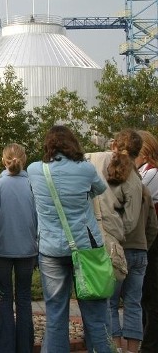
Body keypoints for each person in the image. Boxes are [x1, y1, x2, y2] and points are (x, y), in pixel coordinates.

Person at [27, 125, 112, 352]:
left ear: (48, 145)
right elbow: (99, 189)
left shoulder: (35, 170)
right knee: (95, 315)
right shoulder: (86, 169)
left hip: (51, 249)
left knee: (55, 314)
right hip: (86, 247)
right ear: (73, 143)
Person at [87, 129, 154, 353]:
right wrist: (145, 245)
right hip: (140, 251)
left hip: (117, 249)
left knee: (112, 303)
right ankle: (132, 350)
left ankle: (114, 348)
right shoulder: (140, 184)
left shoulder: (105, 173)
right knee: (134, 305)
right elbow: (152, 225)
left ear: (114, 145)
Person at [0, 143, 37, 353]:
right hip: (28, 249)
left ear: (3, 160)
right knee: (25, 299)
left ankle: (5, 347)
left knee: (4, 298)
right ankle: (25, 346)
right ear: (24, 160)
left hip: (0, 250)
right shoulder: (34, 186)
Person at [135, 130, 158, 353]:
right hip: (148, 238)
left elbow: (133, 196)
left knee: (150, 295)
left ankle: (150, 345)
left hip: (152, 241)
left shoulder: (151, 174)